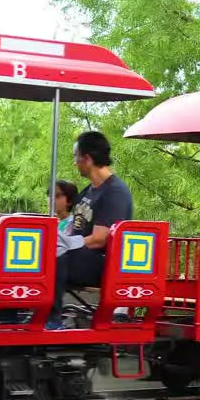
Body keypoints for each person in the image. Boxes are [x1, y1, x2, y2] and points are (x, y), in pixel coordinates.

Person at [51, 131, 133, 328]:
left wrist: (66, 244)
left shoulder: (114, 192)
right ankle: (11, 313)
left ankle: (51, 319)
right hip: (78, 255)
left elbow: (99, 239)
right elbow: (74, 228)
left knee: (54, 256)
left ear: (87, 158)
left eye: (75, 157)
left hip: (101, 263)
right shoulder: (87, 191)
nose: (74, 162)